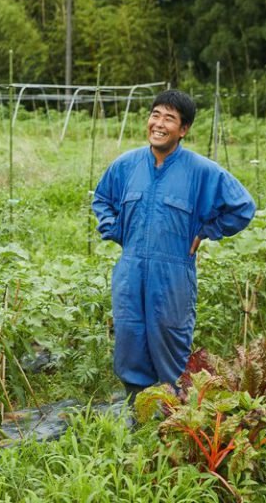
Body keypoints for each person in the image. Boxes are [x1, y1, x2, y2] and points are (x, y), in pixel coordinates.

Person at [92, 90, 255, 404]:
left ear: (183, 130)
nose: (159, 123)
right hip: (130, 271)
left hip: (173, 275)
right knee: (130, 340)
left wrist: (209, 229)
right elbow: (102, 199)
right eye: (155, 114)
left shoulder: (201, 171)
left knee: (171, 344)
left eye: (169, 118)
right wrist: (115, 229)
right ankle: (136, 416)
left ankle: (175, 421)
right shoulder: (126, 165)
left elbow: (243, 207)